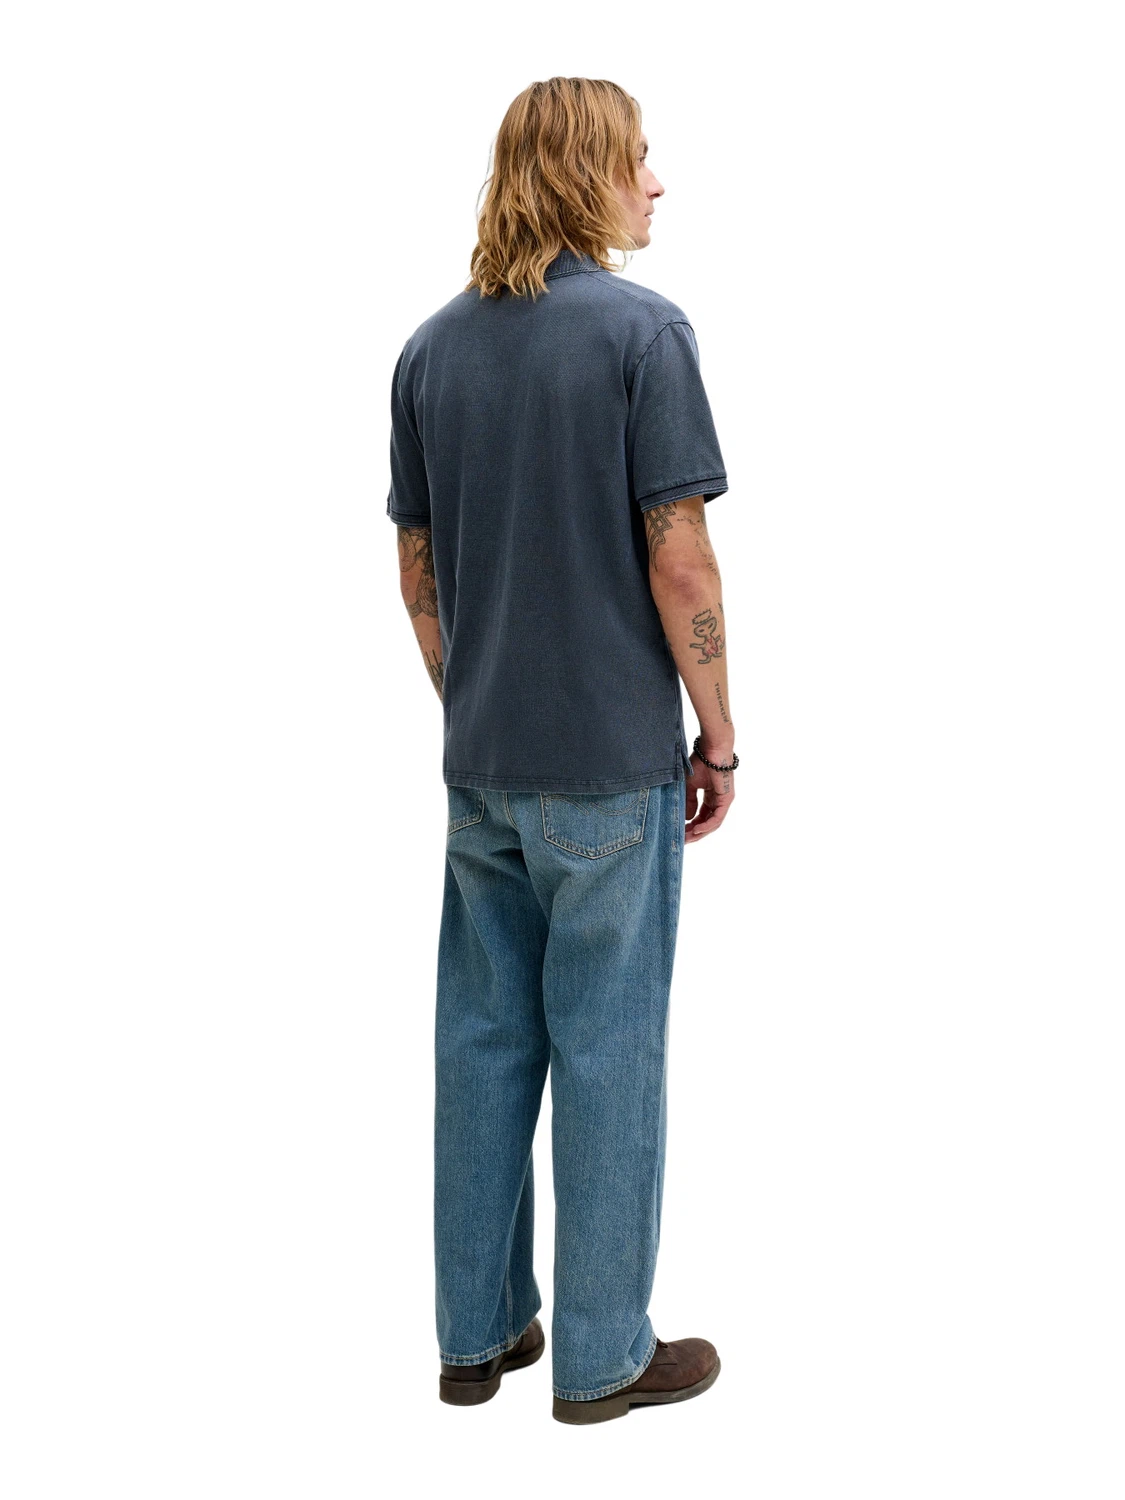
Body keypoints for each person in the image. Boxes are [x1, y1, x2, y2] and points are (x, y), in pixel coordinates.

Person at [387, 76, 736, 1425]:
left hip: (482, 768)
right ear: (588, 168)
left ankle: (475, 1340)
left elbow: (419, 577)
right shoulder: (646, 337)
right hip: (609, 769)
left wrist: (472, 700)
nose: (657, 182)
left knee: (481, 1047)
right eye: (638, 157)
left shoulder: (429, 353)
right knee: (607, 1050)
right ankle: (602, 1359)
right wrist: (719, 734)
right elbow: (680, 556)